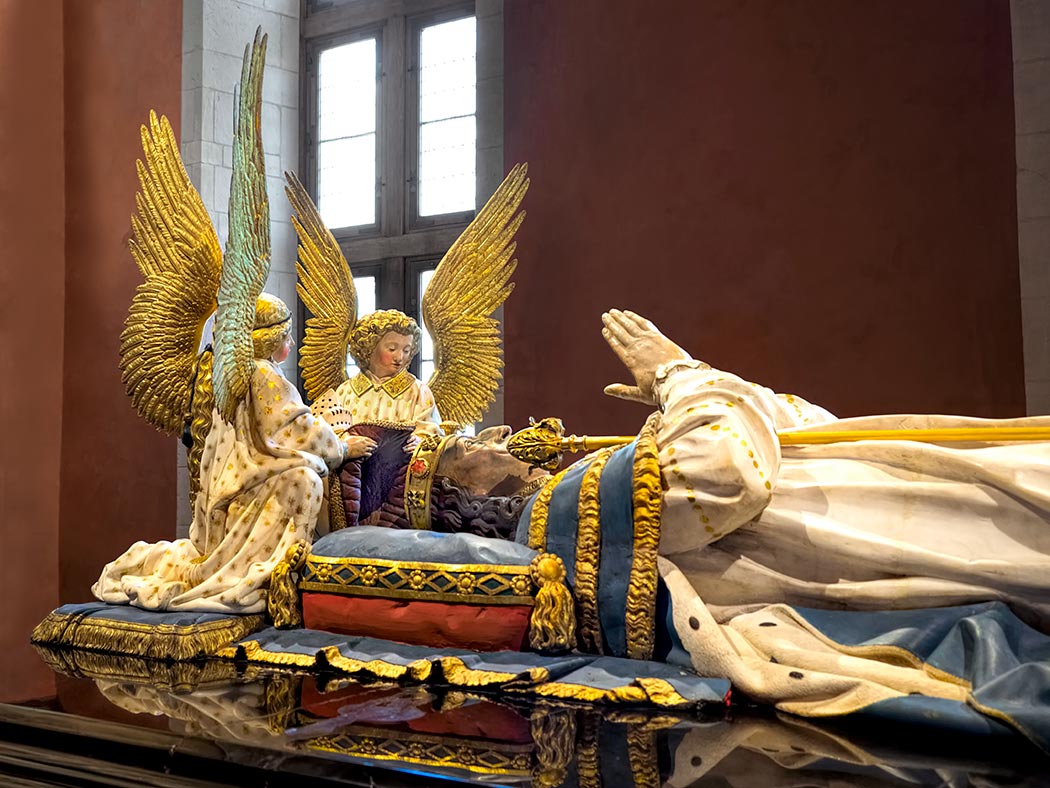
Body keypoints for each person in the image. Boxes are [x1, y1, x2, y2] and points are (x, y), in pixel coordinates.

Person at [93, 294, 358, 614]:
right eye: (286, 335)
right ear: (272, 339)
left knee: (302, 475)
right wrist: (342, 447)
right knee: (305, 480)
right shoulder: (264, 373)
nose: (289, 341)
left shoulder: (231, 374)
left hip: (228, 481)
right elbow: (299, 427)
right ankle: (277, 572)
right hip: (248, 480)